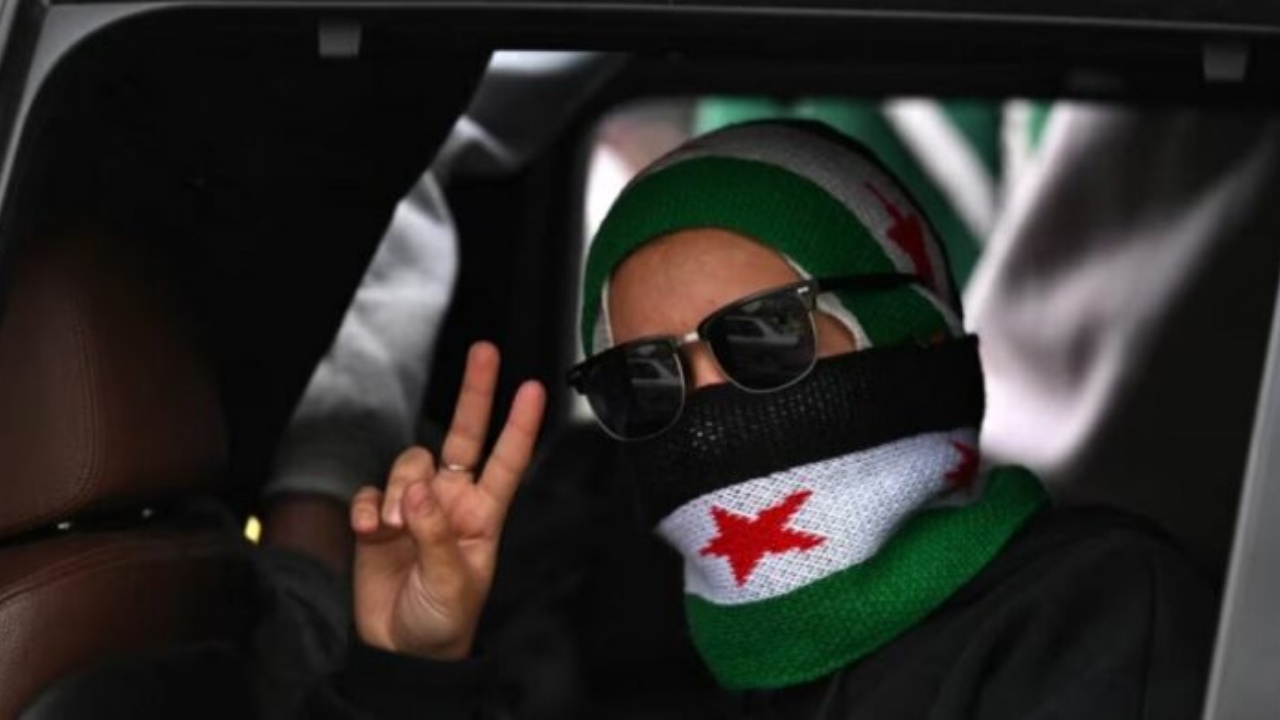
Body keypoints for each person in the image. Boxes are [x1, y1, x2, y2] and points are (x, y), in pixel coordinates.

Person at [313, 120, 1217, 719]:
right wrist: (412, 674)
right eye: (646, 376)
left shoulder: (1089, 609)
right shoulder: (598, 633)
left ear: (906, 332)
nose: (709, 408)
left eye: (764, 335)